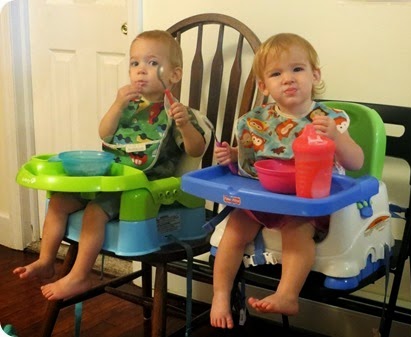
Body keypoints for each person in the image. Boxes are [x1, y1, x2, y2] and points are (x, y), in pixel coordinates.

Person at [13, 30, 206, 301]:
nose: (141, 70)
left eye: (152, 63)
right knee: (58, 200)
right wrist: (117, 105)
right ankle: (46, 260)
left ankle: (80, 276)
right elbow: (104, 134)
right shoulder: (128, 106)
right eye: (135, 63)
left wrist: (185, 124)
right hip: (110, 177)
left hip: (140, 187)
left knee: (94, 211)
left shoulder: (176, 113)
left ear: (174, 75)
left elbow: (196, 150)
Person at [210, 33, 364, 329]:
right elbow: (251, 161)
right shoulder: (257, 120)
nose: (288, 79)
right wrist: (231, 155)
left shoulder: (329, 119)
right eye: (276, 73)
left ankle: (287, 295)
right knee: (233, 231)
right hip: (266, 196)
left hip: (306, 202)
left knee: (297, 232)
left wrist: (336, 137)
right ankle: (220, 294)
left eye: (297, 69)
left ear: (314, 75)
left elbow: (355, 163)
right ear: (263, 86)